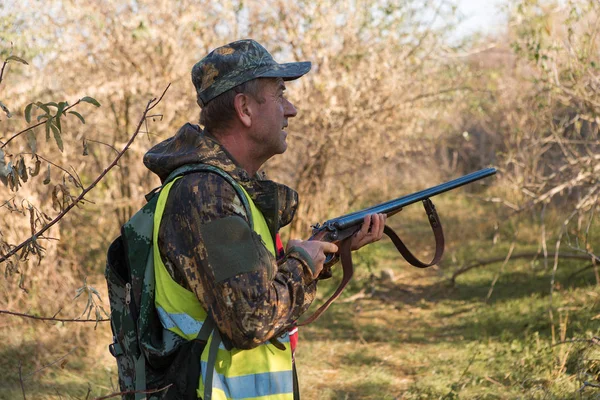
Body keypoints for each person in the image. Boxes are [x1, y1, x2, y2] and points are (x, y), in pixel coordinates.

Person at [142, 39, 386, 400]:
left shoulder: (231, 190)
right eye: (280, 95)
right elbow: (252, 318)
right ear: (244, 108)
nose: (292, 110)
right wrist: (303, 265)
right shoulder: (207, 194)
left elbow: (252, 288)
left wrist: (326, 254)